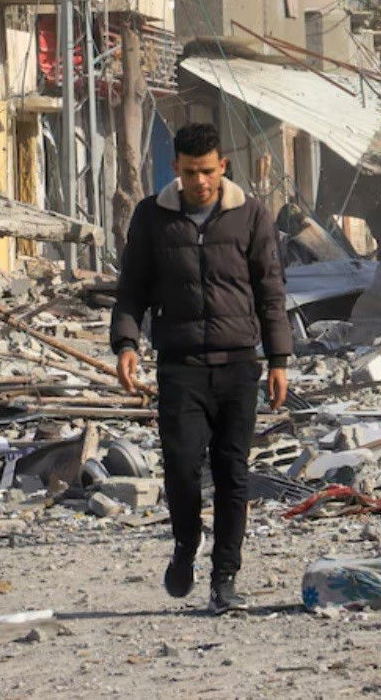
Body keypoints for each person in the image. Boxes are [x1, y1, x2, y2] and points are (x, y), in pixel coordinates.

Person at [111, 123, 290, 615]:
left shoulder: (250, 215)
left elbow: (270, 290)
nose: (201, 182)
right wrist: (126, 342)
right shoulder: (153, 217)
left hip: (238, 366)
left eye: (208, 171)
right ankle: (186, 544)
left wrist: (279, 359)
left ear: (223, 166)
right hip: (180, 366)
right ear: (177, 170)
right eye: (191, 173)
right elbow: (132, 289)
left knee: (233, 475)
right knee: (184, 472)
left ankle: (225, 577)